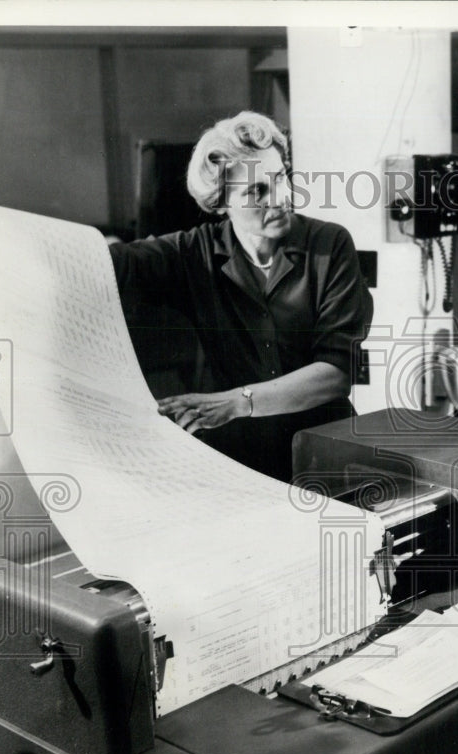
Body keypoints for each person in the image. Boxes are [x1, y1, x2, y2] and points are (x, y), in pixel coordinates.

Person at [110, 111, 373, 482]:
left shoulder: (329, 246)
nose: (281, 198)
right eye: (257, 191)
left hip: (326, 456)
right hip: (243, 466)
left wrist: (236, 402)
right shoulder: (193, 253)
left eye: (280, 178)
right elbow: (111, 262)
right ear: (221, 203)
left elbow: (335, 374)